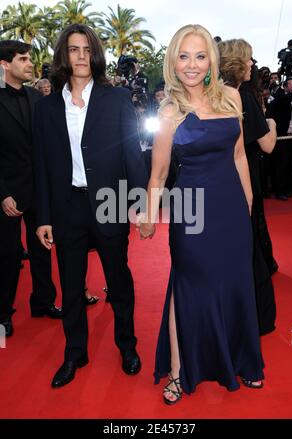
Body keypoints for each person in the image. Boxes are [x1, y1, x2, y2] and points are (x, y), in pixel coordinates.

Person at [138, 24, 264, 404]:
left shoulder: (231, 98)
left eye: (199, 55)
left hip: (231, 208)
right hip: (192, 214)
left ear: (211, 59)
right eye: (183, 56)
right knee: (187, 288)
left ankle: (243, 361)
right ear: (173, 63)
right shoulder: (169, 110)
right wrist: (147, 212)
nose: (191, 65)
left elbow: (240, 156)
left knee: (236, 284)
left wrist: (248, 206)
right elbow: (158, 174)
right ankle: (179, 370)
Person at [34, 24, 148, 388]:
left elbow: (132, 154)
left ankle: (126, 345)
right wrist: (44, 217)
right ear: (63, 56)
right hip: (68, 207)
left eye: (86, 49)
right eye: (73, 49)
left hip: (109, 203)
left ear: (94, 54)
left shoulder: (116, 99)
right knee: (70, 287)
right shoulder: (47, 107)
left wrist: (140, 202)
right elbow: (42, 165)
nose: (80, 56)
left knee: (118, 280)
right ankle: (74, 353)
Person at [0, 41, 62, 338]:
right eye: (22, 59)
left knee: (42, 249)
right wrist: (2, 193)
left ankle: (43, 302)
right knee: (7, 255)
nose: (30, 63)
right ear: (4, 65)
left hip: (39, 189)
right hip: (7, 194)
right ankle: (2, 314)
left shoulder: (38, 98)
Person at [218, 39, 278, 336]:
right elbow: (267, 145)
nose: (253, 65)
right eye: (249, 59)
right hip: (246, 182)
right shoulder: (244, 98)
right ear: (237, 62)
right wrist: (272, 123)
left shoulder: (217, 96)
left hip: (223, 183)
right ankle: (261, 320)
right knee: (251, 252)